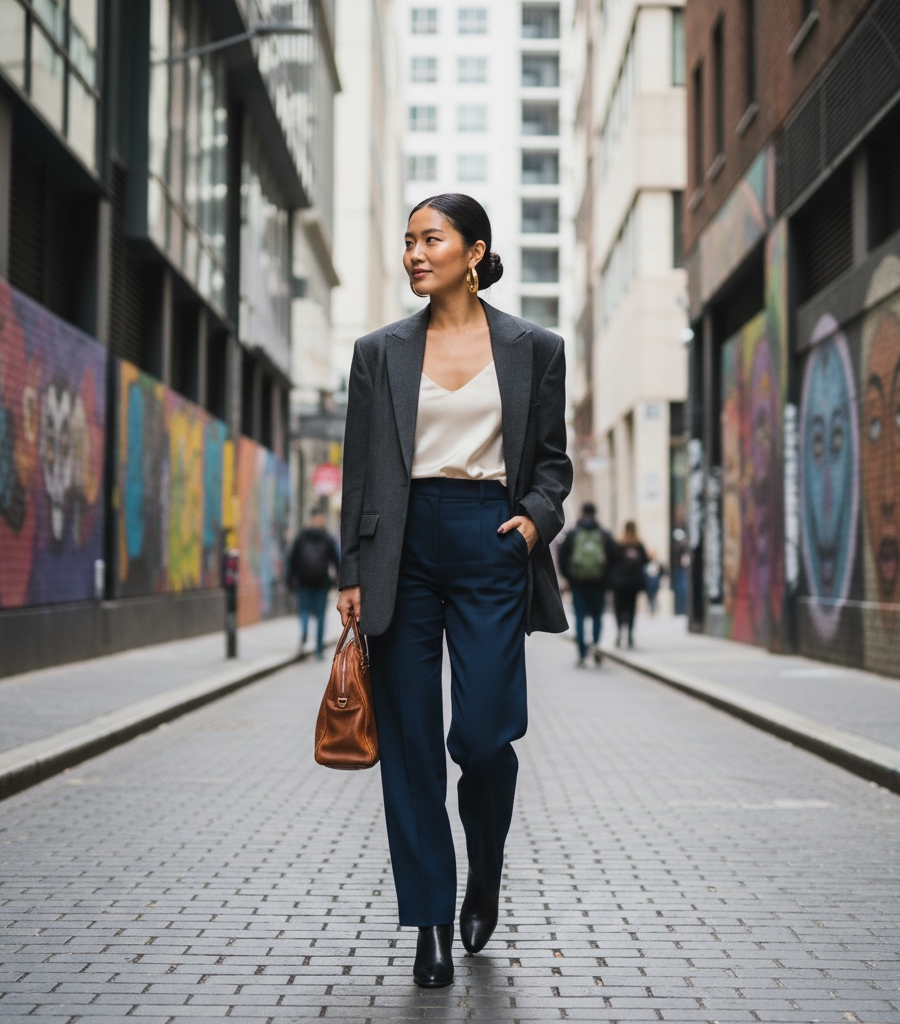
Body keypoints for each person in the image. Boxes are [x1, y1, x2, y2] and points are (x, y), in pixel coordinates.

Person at [336, 194, 572, 989]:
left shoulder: (535, 348)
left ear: (474, 252)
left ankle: (486, 866)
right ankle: (431, 921)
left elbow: (551, 467)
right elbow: (361, 469)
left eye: (429, 239)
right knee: (408, 747)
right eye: (407, 241)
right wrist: (349, 572)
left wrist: (534, 524)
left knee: (482, 733)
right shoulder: (380, 352)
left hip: (489, 537)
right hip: (399, 546)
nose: (413, 253)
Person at [558, 503, 616, 665]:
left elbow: (562, 558)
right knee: (597, 615)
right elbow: (614, 557)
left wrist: (569, 578)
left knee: (580, 616)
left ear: (582, 513)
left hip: (578, 583)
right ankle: (595, 645)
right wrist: (606, 578)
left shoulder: (573, 533)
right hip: (599, 583)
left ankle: (582, 653)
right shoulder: (603, 534)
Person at [288, 509, 339, 659]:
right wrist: (339, 580)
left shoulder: (301, 536)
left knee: (304, 610)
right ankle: (318, 650)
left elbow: (293, 559)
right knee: (321, 616)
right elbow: (335, 560)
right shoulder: (327, 537)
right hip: (321, 582)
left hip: (304, 581)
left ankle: (304, 630)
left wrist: (291, 578)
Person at [609, 521, 648, 647]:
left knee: (619, 608)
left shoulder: (619, 544)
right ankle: (630, 634)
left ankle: (620, 632)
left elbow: (611, 561)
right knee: (631, 608)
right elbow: (645, 561)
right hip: (633, 584)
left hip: (619, 584)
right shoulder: (638, 545)